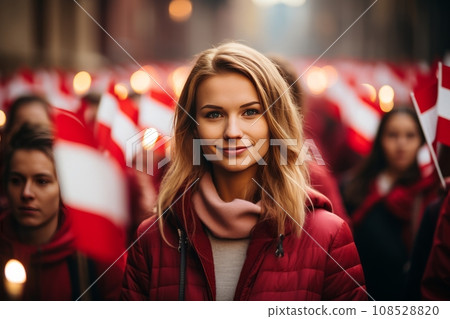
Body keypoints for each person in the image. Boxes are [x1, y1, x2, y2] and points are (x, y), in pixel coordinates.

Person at [121, 42, 366, 301]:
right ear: (192, 128)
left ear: (275, 121)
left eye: (250, 112)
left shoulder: (328, 235)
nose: (233, 131)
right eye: (214, 114)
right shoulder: (152, 239)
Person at [0, 124, 124, 300]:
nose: (26, 192)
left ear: (63, 186)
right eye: (16, 180)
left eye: (41, 181)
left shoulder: (96, 258)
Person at [341, 107, 438, 300]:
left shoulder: (429, 196)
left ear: (421, 142)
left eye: (410, 136)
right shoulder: (352, 187)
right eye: (393, 135)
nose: (401, 144)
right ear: (380, 140)